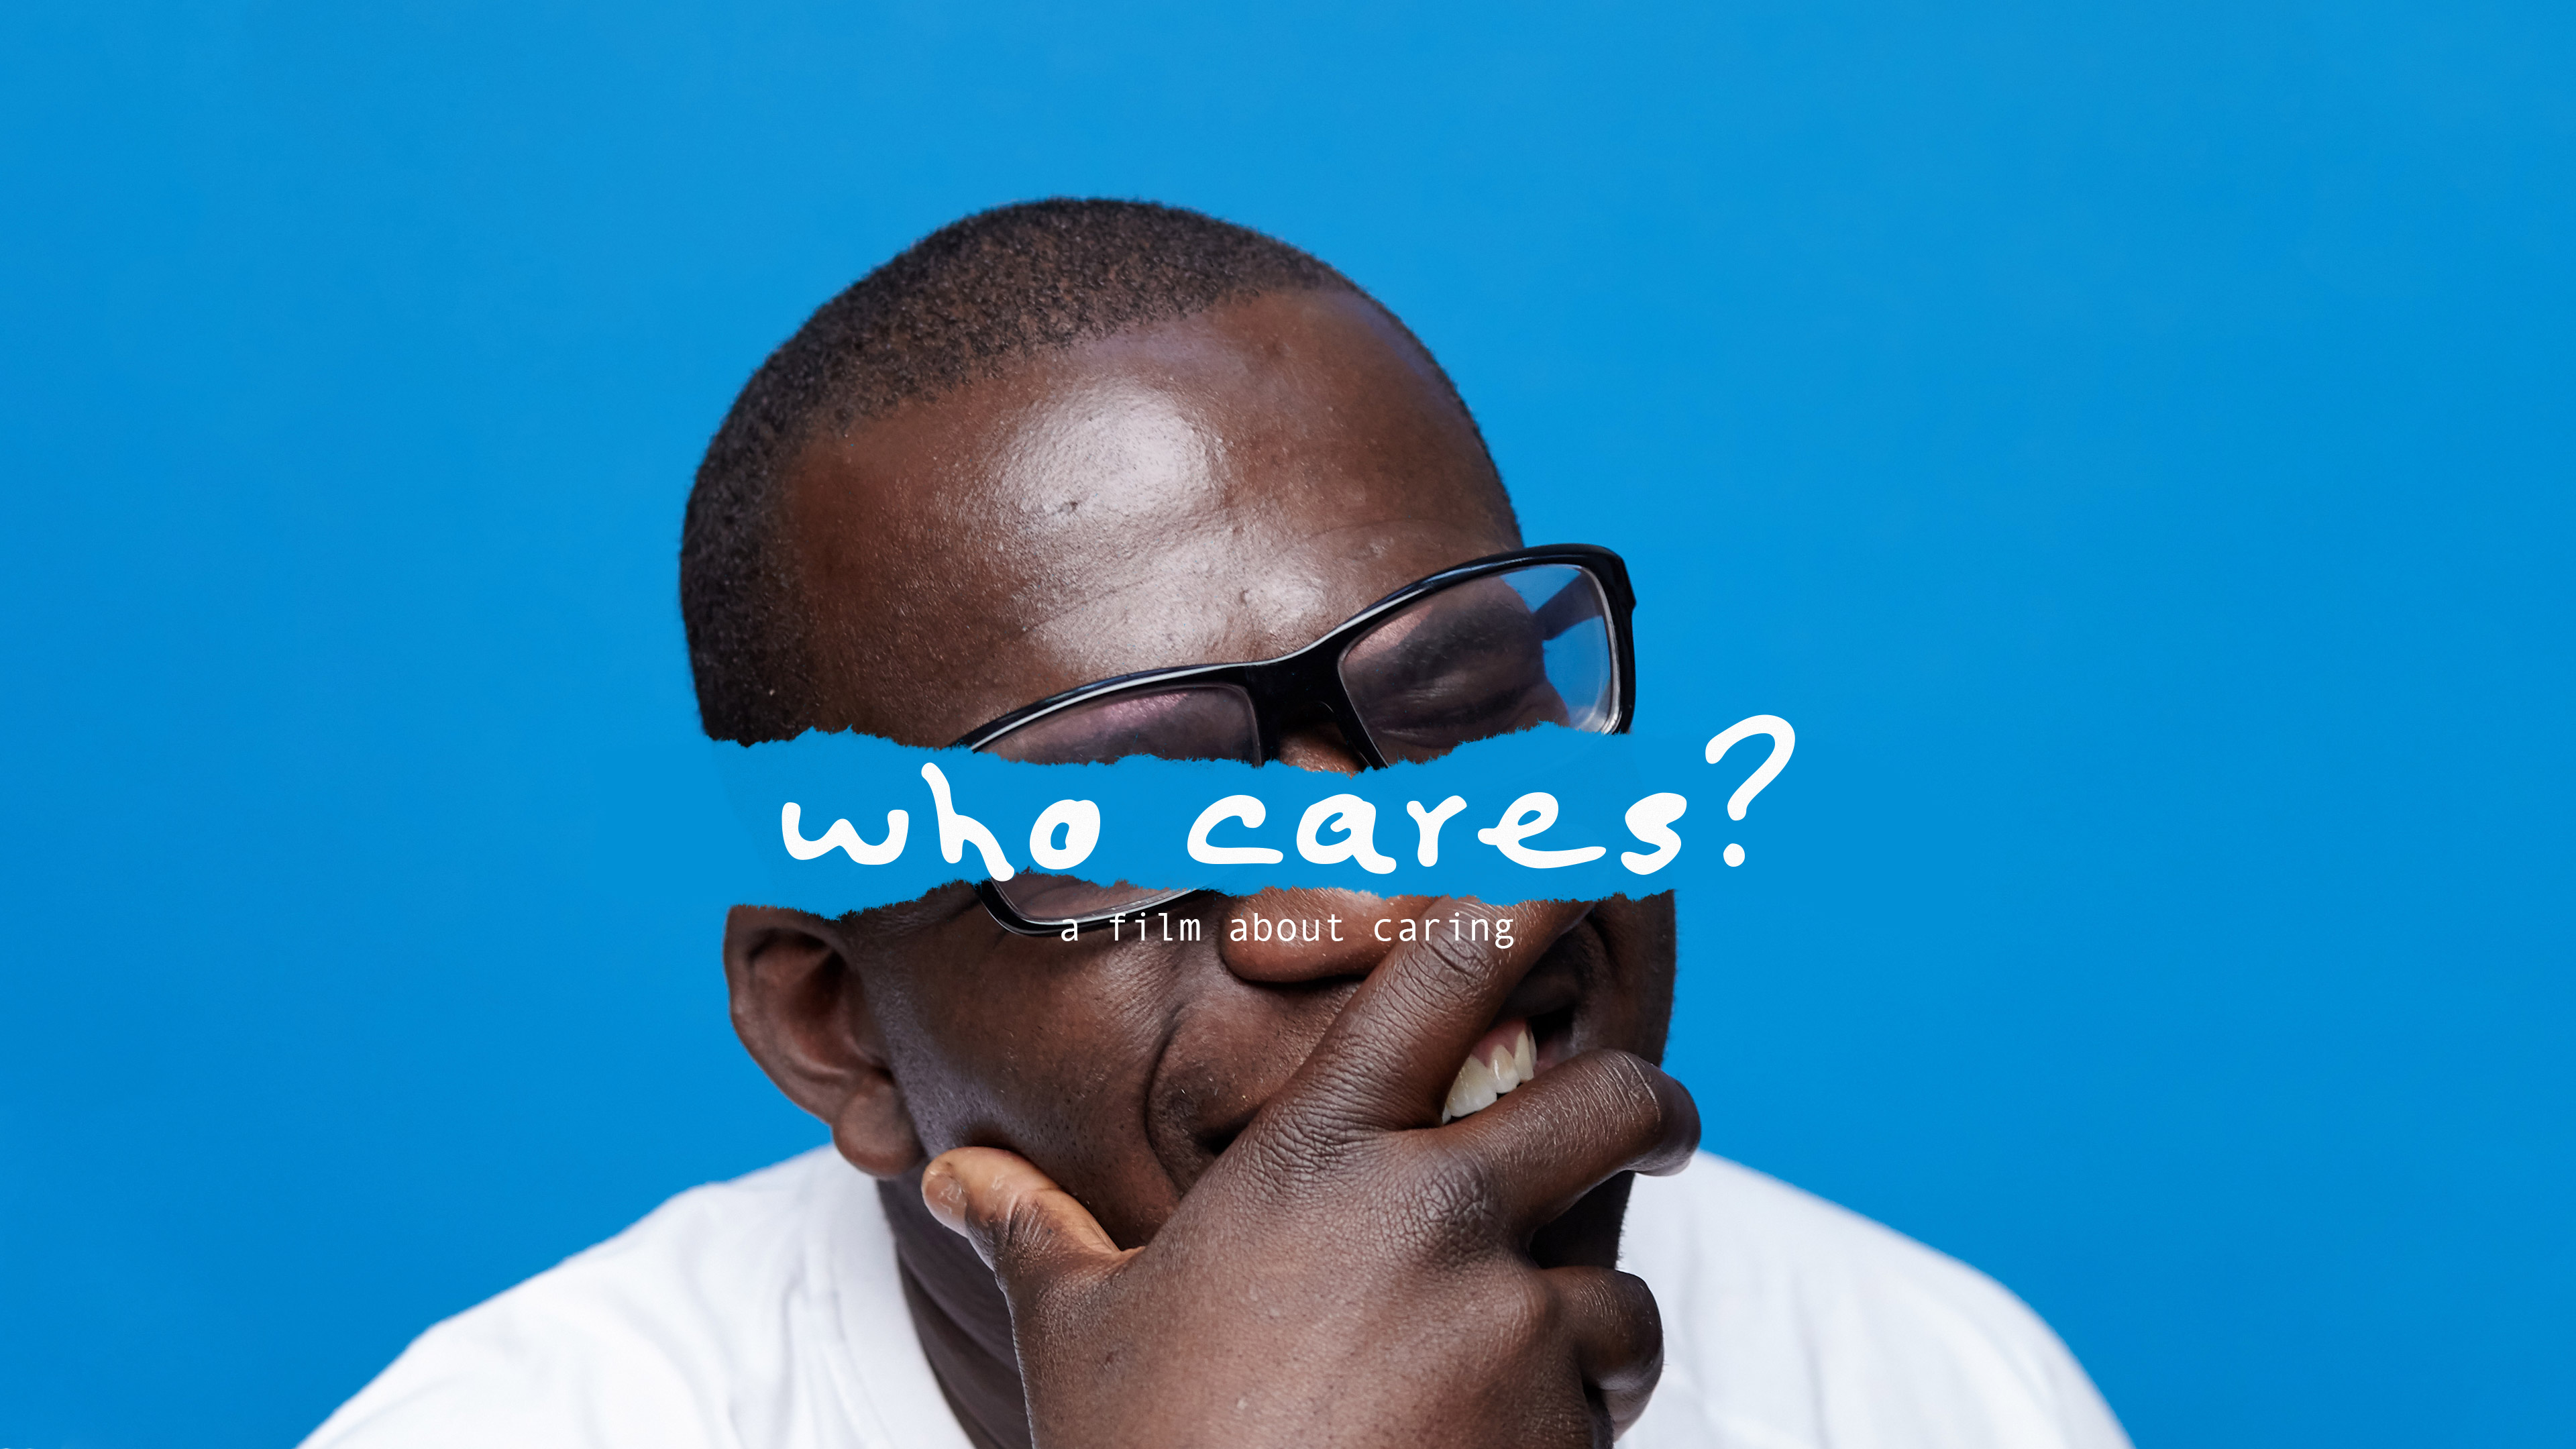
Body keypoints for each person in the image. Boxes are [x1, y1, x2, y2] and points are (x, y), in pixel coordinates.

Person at [303, 201, 2130, 1449]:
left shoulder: (1936, 1382)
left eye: (1461, 695)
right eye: (1124, 814)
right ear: (836, 1028)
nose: (1380, 900)